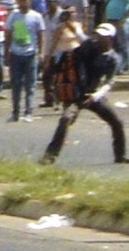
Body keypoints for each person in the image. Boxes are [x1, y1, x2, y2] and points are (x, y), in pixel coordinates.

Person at [42, 21, 126, 165]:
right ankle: (50, 156)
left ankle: (120, 155)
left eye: (103, 36)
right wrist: (68, 22)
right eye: (98, 35)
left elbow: (109, 83)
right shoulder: (89, 46)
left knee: (117, 122)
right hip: (76, 93)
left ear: (110, 39)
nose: (99, 38)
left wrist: (96, 96)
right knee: (65, 119)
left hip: (93, 94)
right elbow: (79, 34)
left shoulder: (112, 58)